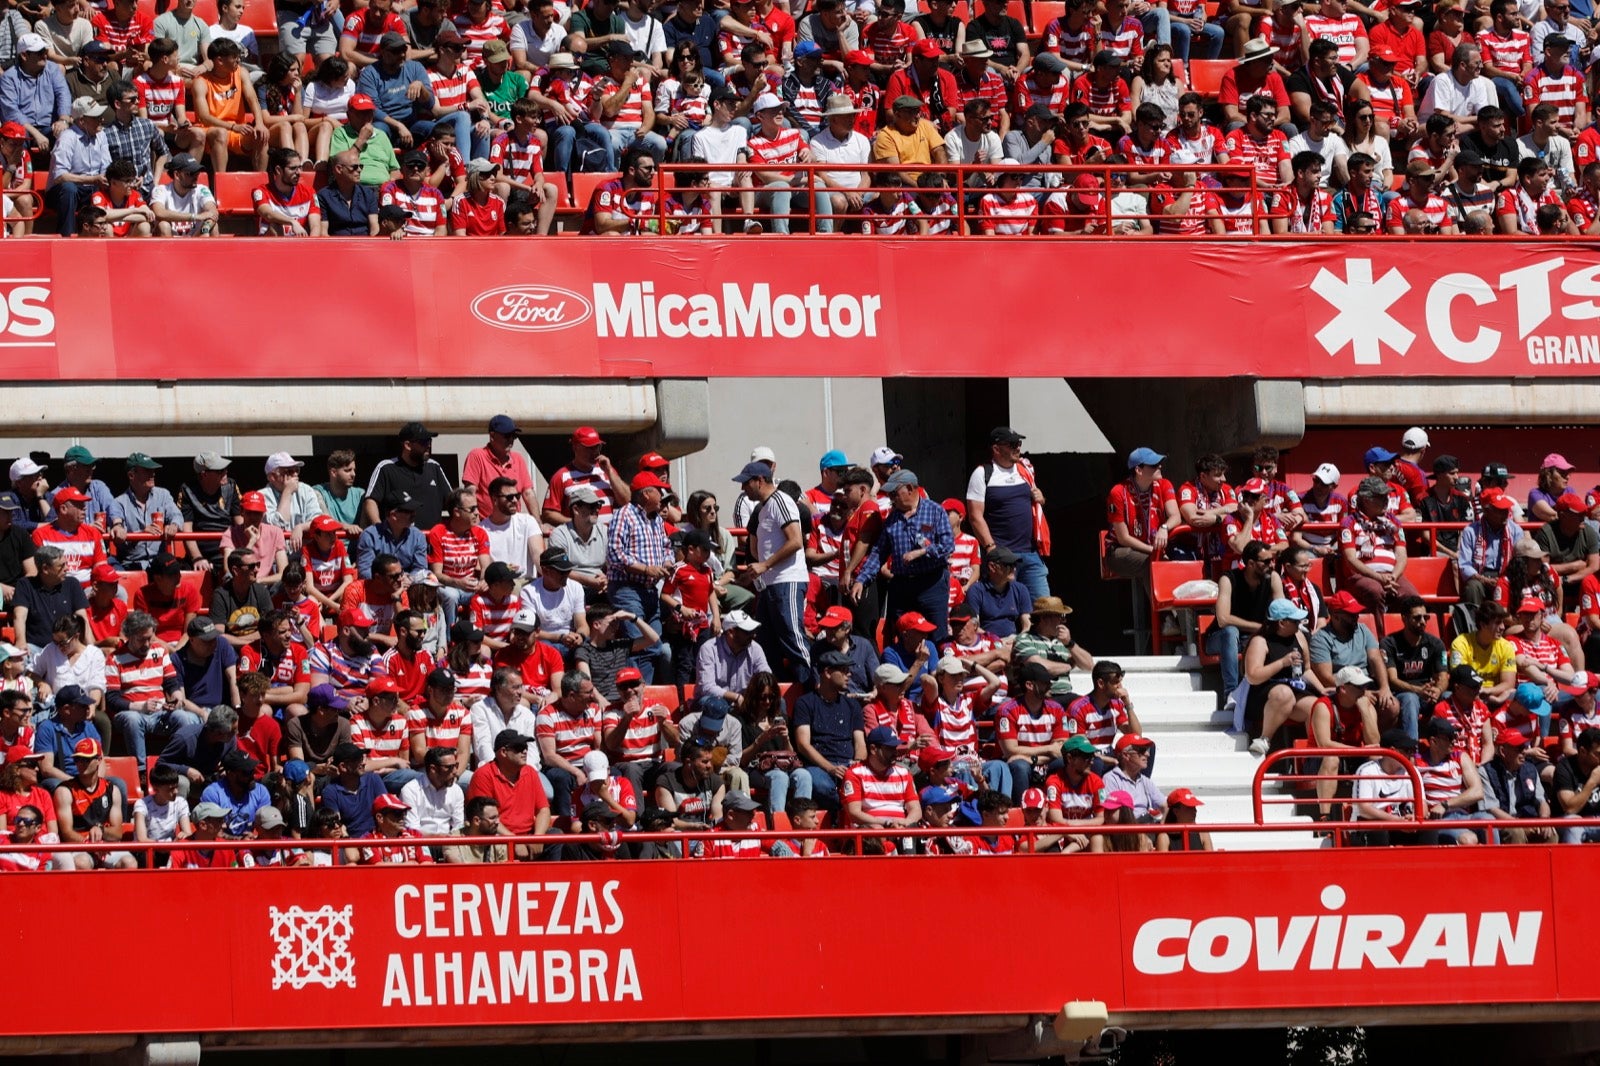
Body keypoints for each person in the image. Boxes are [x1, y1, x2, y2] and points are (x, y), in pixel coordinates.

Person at [1211, 540, 1285, 709]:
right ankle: (1231, 693)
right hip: (1220, 639)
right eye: (1266, 562)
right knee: (1230, 632)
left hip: (1252, 639)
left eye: (1272, 560)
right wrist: (1259, 628)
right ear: (1251, 563)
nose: (1271, 564)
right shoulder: (1228, 579)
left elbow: (1282, 611)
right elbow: (1223, 619)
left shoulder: (1272, 577)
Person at [1244, 599, 1323, 756]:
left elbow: (1306, 669)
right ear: (1282, 623)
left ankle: (1314, 757)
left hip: (1294, 690)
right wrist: (1282, 663)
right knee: (1284, 694)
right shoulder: (1260, 641)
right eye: (1295, 621)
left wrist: (1322, 690)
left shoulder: (1299, 636)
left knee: (1315, 705)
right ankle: (1264, 739)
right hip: (1265, 695)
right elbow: (1253, 676)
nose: (1299, 623)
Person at [53, 737, 134, 869]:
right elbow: (66, 833)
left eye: (86, 759)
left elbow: (118, 832)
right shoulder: (65, 790)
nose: (80, 764)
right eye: (77, 759)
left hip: (105, 844)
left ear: (99, 760)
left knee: (129, 863)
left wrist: (101, 831)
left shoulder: (112, 790)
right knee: (81, 863)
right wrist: (89, 844)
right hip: (79, 845)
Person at [1484, 727, 1556, 843]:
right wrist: (1520, 825)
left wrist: (1544, 821)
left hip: (1526, 819)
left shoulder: (1530, 769)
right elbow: (1491, 809)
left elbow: (1542, 800)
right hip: (1501, 823)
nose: (1524, 751)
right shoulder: (1486, 771)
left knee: (1550, 833)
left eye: (1524, 747)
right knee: (1516, 832)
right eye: (1519, 748)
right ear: (1503, 751)